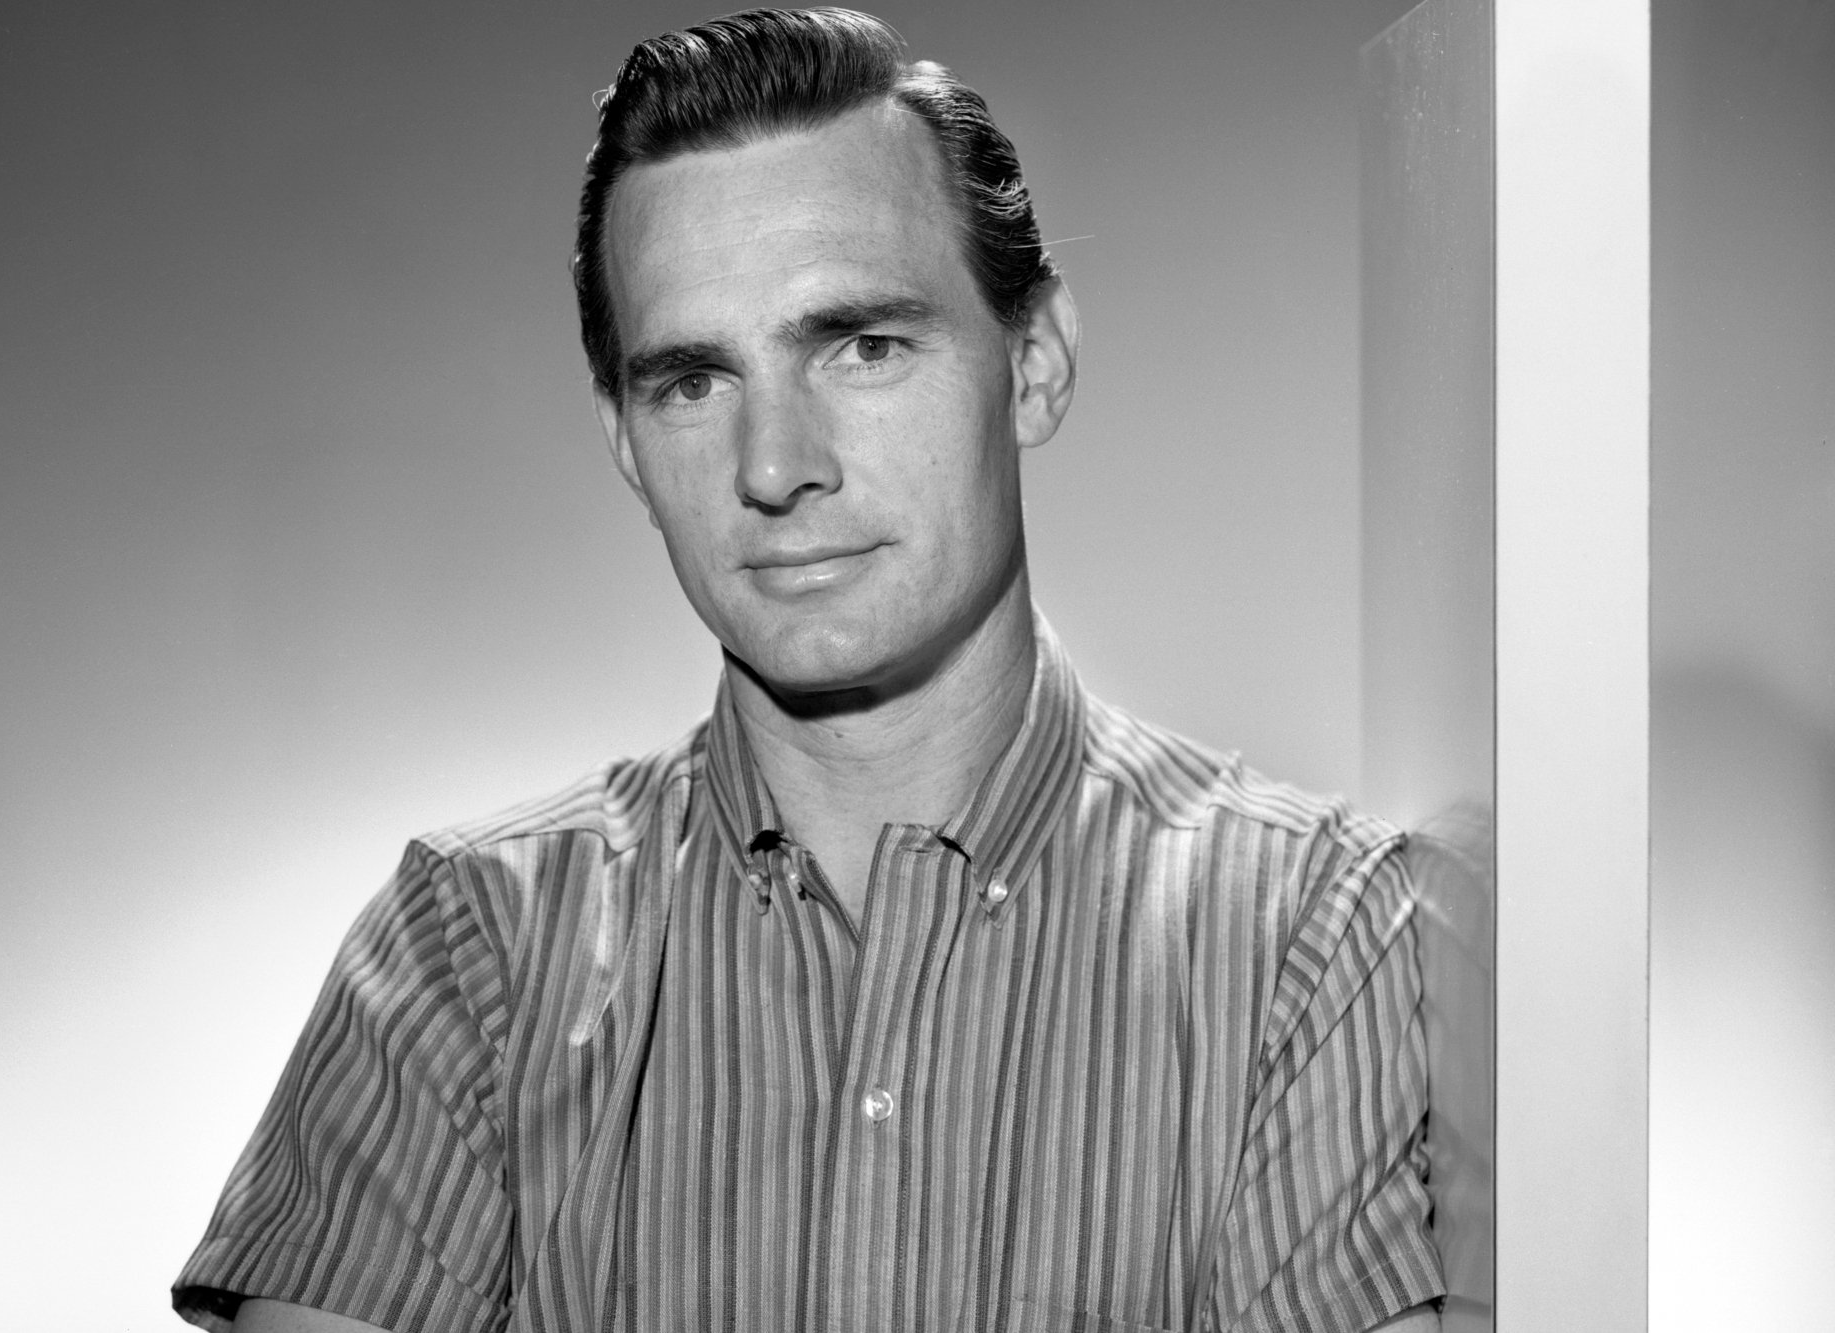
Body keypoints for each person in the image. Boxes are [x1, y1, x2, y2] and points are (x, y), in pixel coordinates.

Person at [172, 9, 1445, 1331]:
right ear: (623, 439)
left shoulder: (1312, 931)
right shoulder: (464, 953)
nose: (775, 467)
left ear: (1037, 364)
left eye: (863, 344)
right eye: (692, 382)